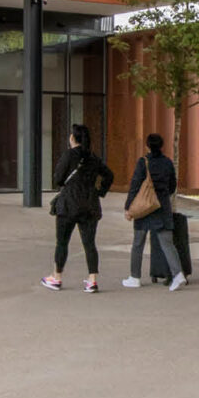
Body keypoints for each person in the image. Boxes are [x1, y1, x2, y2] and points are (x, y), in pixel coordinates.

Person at [43, 124, 114, 294]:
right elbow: (109, 175)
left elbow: (58, 178)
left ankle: (57, 277)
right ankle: (92, 280)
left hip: (68, 204)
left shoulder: (69, 155)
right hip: (90, 204)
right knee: (89, 243)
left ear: (73, 138)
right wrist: (100, 191)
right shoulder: (93, 157)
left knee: (62, 242)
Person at [120, 132, 187, 292]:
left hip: (144, 207)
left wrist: (128, 207)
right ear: (161, 146)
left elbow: (135, 185)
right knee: (167, 243)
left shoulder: (143, 162)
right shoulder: (168, 162)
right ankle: (178, 274)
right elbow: (172, 185)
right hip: (162, 207)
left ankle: (135, 277)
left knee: (138, 243)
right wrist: (162, 196)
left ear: (147, 146)